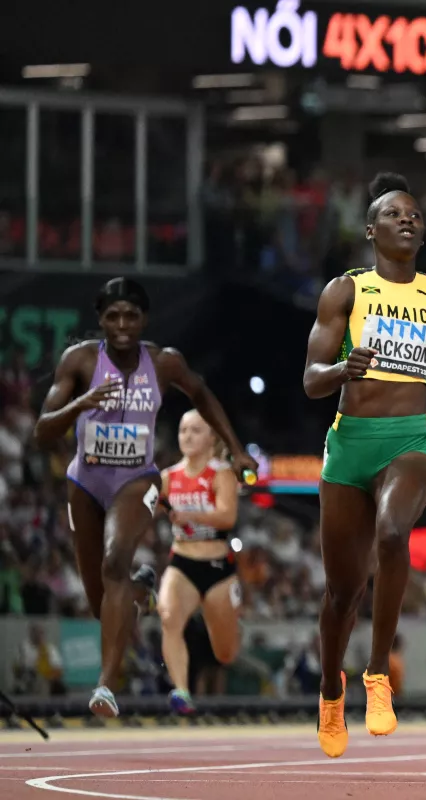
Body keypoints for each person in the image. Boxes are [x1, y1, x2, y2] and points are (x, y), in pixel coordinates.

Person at [303, 172, 426, 758]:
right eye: (395, 214)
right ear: (370, 230)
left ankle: (378, 675)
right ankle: (331, 691)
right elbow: (310, 379)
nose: (408, 220)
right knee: (341, 594)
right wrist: (343, 369)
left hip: (410, 439)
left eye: (416, 215)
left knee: (394, 532)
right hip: (350, 444)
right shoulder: (344, 292)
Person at [33, 278, 255, 718]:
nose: (122, 324)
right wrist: (81, 404)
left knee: (115, 560)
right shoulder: (79, 361)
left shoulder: (163, 363)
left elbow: (202, 394)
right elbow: (42, 431)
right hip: (85, 483)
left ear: (144, 319)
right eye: (112, 316)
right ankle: (140, 590)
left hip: (137, 479)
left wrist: (236, 445)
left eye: (131, 316)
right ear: (100, 320)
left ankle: (104, 686)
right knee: (101, 603)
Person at [157, 409, 243, 715]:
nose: (187, 436)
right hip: (182, 560)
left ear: (211, 438)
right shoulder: (168, 477)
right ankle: (181, 691)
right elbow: (148, 505)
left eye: (195, 430)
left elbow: (227, 516)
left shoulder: (221, 474)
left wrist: (189, 514)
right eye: (183, 431)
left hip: (218, 567)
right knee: (168, 616)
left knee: (225, 652)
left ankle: (231, 620)